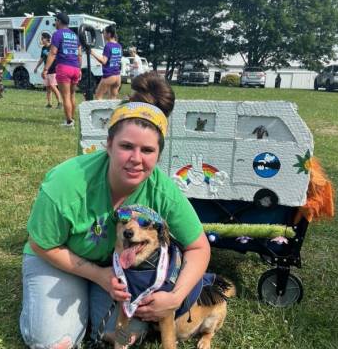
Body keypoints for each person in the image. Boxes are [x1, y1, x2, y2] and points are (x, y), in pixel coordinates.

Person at [20, 71, 211, 349]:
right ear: (108, 145)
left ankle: (89, 308)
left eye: (147, 150)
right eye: (126, 146)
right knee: (53, 342)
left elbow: (199, 247)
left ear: (158, 155)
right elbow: (40, 244)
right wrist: (98, 276)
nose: (136, 159)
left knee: (125, 337)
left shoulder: (163, 190)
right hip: (58, 257)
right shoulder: (66, 183)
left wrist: (176, 297)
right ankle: (54, 307)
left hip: (117, 274)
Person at [43, 12, 82, 127]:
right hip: (75, 68)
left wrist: (45, 69)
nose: (55, 23)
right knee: (72, 95)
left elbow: (53, 53)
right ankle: (72, 118)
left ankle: (69, 122)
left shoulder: (57, 34)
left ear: (59, 21)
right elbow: (79, 55)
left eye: (56, 21)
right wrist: (79, 69)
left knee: (65, 96)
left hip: (64, 67)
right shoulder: (75, 36)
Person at [91, 25, 122, 100]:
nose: (103, 35)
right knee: (113, 99)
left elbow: (104, 61)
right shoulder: (118, 46)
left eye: (104, 33)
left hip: (109, 76)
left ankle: (100, 112)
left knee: (98, 96)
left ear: (109, 34)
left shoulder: (108, 46)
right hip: (118, 76)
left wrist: (92, 53)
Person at [34, 33, 63, 108]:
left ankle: (60, 102)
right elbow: (42, 59)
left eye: (42, 38)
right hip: (46, 70)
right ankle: (49, 103)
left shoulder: (52, 47)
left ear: (47, 39)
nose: (41, 40)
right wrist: (37, 67)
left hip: (53, 70)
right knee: (48, 87)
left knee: (53, 86)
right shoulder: (43, 48)